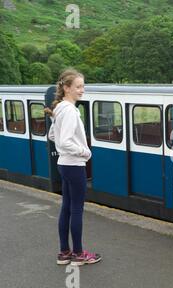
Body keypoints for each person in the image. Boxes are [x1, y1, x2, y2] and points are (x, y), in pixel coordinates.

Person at [46, 69, 101, 266]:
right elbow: (64, 140)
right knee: (77, 209)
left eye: (83, 86)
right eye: (78, 87)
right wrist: (84, 152)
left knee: (67, 208)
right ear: (67, 88)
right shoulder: (69, 110)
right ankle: (78, 254)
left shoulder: (59, 108)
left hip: (63, 165)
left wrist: (69, 148)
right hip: (74, 165)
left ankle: (64, 252)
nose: (82, 90)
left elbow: (53, 136)